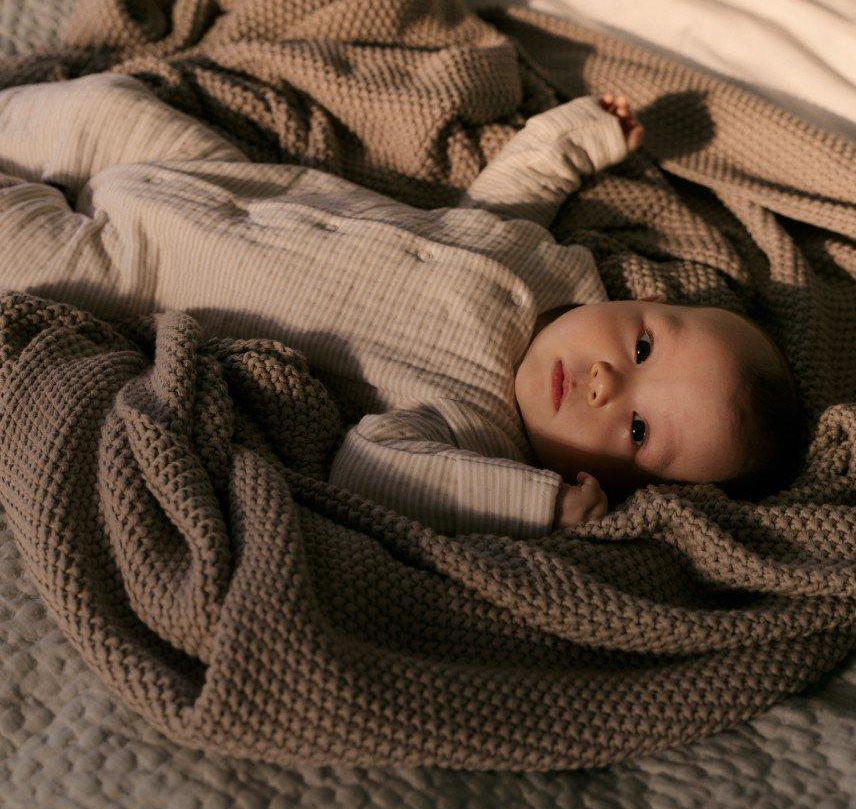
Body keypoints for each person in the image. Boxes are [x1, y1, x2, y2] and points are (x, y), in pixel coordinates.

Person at [0, 75, 801, 538]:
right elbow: (515, 187)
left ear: (608, 480)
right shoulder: (536, 265)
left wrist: (535, 504)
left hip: (130, 275)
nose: (603, 384)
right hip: (221, 180)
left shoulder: (476, 432)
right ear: (646, 301)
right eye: (642, 352)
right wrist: (582, 133)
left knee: (19, 246)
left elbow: (370, 466)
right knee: (100, 102)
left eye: (636, 430)